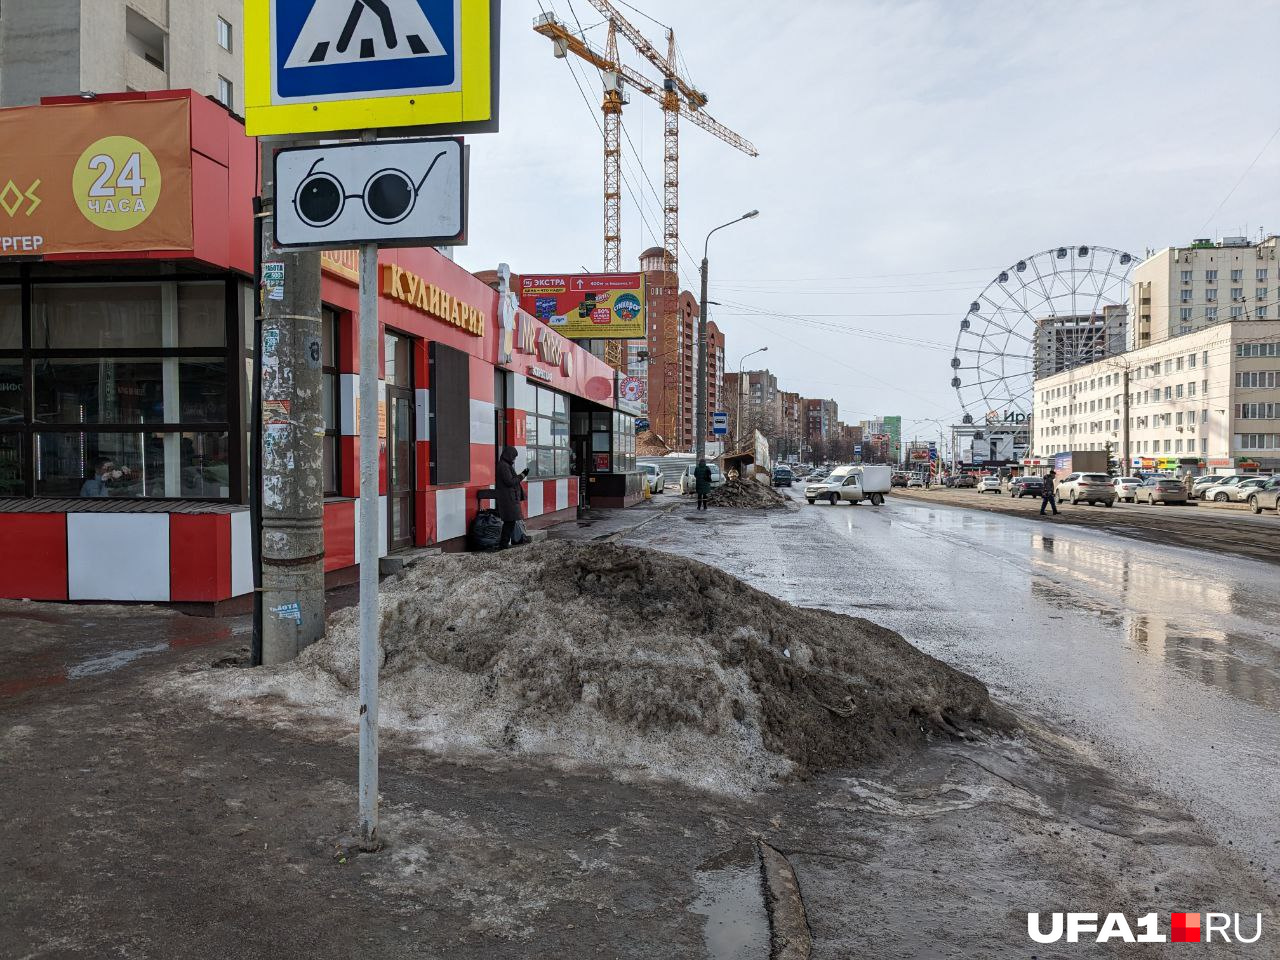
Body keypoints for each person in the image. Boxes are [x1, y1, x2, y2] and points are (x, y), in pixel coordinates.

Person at [495, 446, 528, 549]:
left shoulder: (505, 465)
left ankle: (504, 544)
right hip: (508, 499)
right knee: (509, 522)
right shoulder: (503, 466)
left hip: (509, 498)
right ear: (509, 455)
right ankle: (503, 545)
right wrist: (522, 475)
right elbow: (510, 482)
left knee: (510, 522)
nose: (514, 459)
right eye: (513, 457)